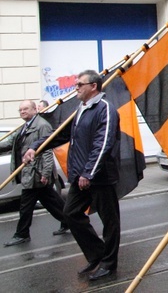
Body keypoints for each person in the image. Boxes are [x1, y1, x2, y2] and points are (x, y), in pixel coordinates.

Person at [23, 70, 121, 281]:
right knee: (70, 213)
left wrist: (89, 172)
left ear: (93, 86)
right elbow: (61, 135)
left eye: (79, 84)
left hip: (99, 176)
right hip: (80, 175)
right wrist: (36, 147)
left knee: (109, 221)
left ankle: (109, 264)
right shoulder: (81, 109)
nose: (75, 88)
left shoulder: (106, 109)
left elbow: (102, 144)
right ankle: (97, 254)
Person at [0, 100, 68, 247]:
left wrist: (45, 173)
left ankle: (22, 234)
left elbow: (47, 151)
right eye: (20, 110)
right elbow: (9, 143)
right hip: (29, 172)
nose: (22, 112)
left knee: (26, 206)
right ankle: (70, 221)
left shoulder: (42, 126)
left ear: (34, 110)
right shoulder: (24, 127)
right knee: (52, 202)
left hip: (35, 173)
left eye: (25, 109)